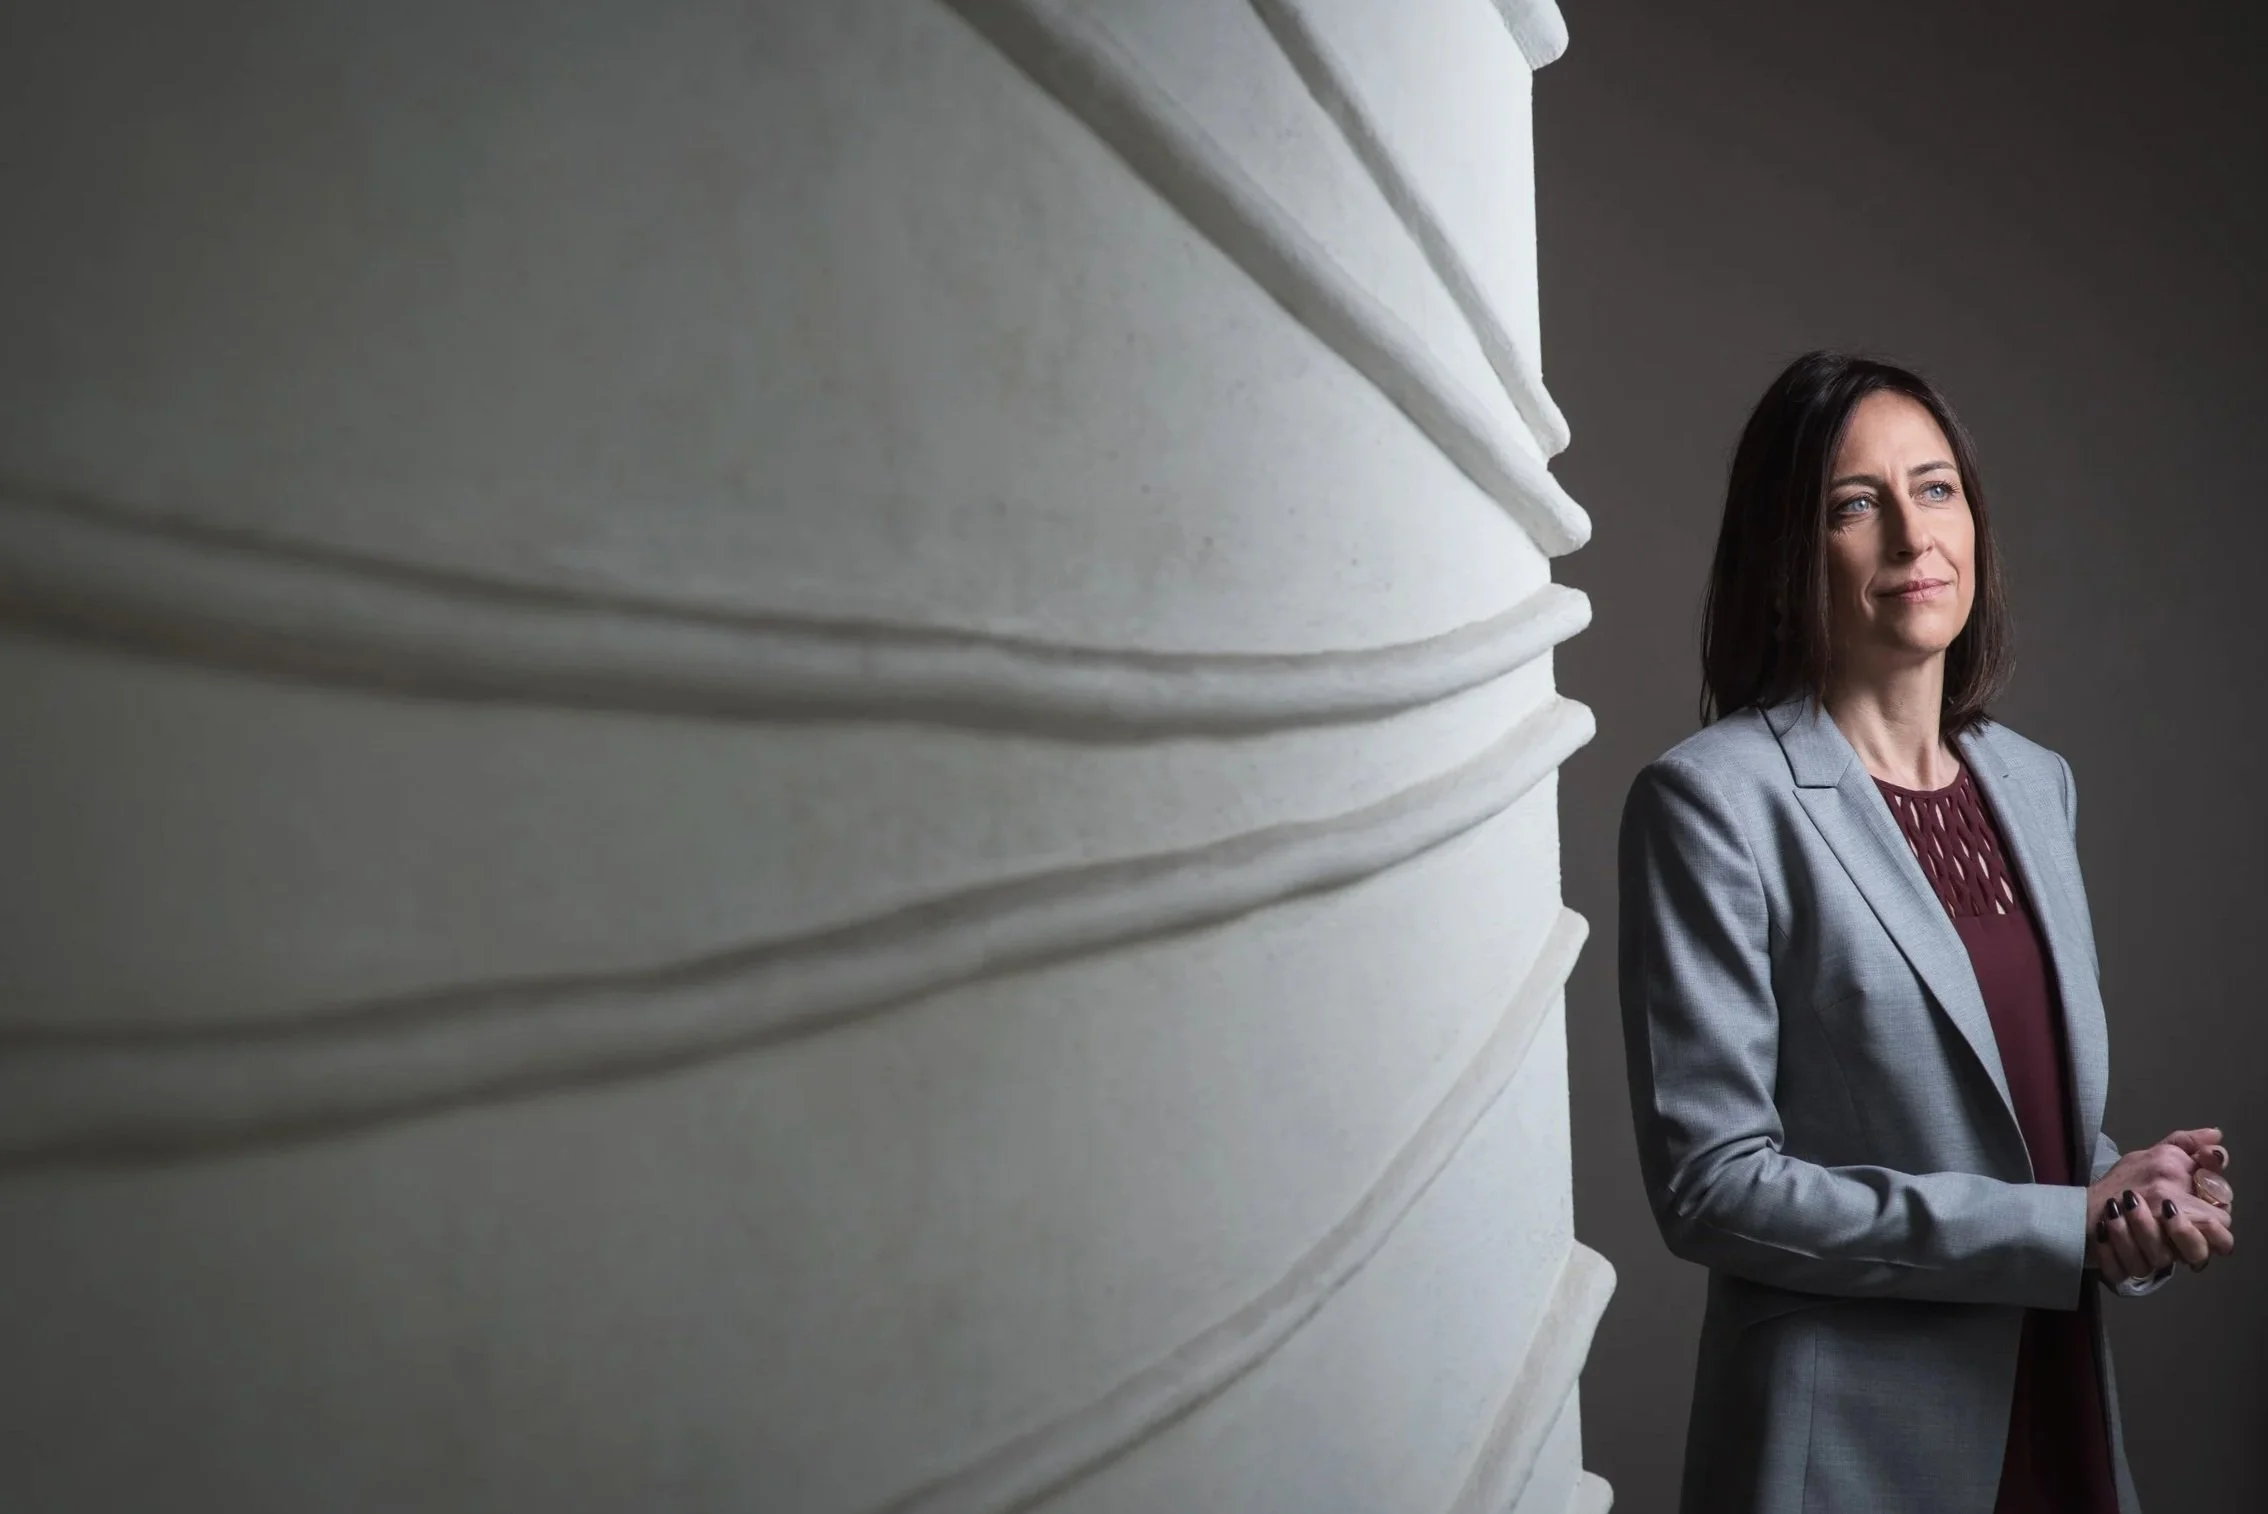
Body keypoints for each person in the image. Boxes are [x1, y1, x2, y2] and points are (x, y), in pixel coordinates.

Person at [1615, 350, 2237, 1513]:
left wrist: (2129, 1196)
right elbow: (1714, 1183)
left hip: (2061, 1401)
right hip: (1854, 1451)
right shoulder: (1712, 801)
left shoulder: (2034, 782)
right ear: (1788, 554)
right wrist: (2060, 1223)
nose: (1914, 534)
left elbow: (2007, 1121)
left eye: (1936, 487)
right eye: (1855, 504)